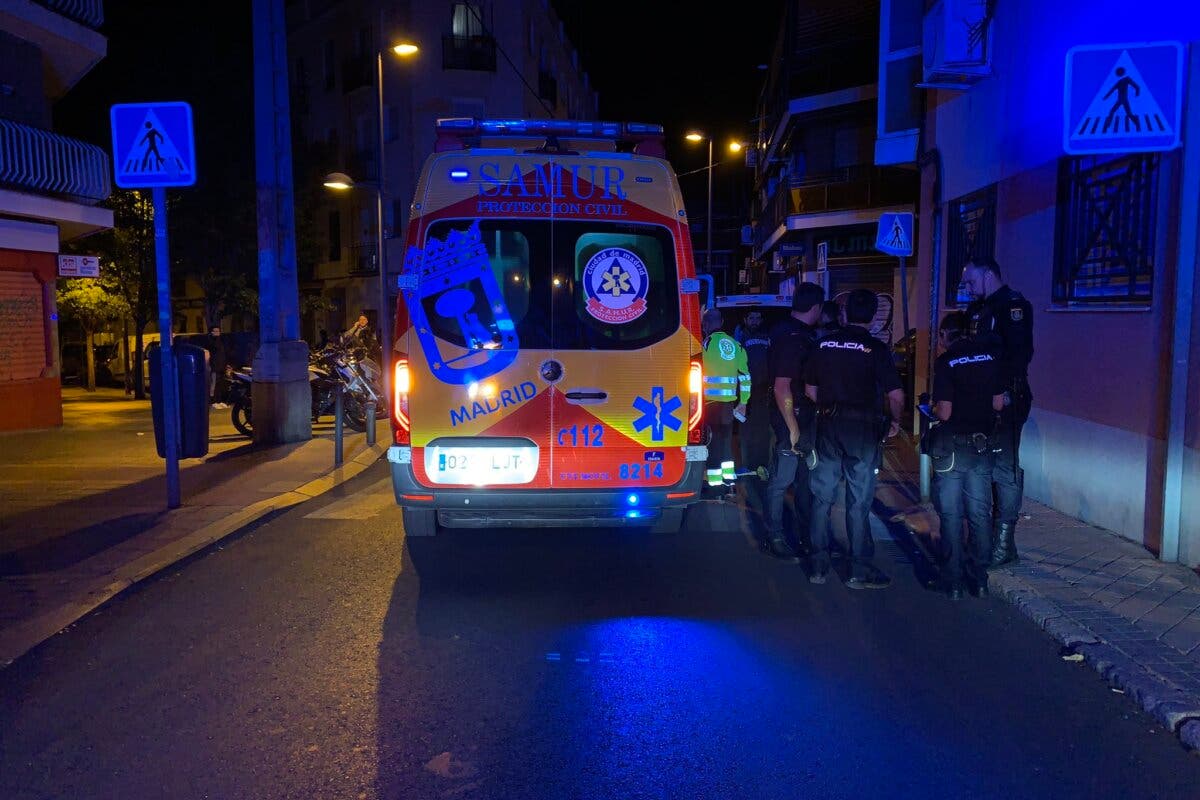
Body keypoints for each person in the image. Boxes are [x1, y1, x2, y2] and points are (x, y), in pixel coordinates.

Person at [803, 289, 905, 588]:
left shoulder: (823, 345)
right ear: (873, 317)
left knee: (821, 498)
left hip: (829, 426)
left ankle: (818, 567)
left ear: (845, 313)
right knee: (858, 502)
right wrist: (895, 422)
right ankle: (857, 570)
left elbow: (810, 390)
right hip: (863, 432)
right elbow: (895, 394)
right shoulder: (876, 349)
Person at [961, 257, 1034, 568]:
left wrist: (1001, 393)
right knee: (982, 468)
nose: (967, 288)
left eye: (971, 281)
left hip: (1005, 398)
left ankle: (1002, 544)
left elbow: (1020, 354)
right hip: (980, 400)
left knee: (1004, 470)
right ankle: (989, 539)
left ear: (989, 274)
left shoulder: (1012, 306)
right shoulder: (979, 309)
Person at [928, 311, 1006, 600]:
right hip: (982, 447)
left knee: (951, 514)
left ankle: (954, 581)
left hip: (952, 448)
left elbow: (944, 412)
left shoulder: (946, 362)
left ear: (946, 334)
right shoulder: (990, 359)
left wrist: (932, 409)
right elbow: (998, 404)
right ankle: (980, 579)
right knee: (979, 514)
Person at [761, 282, 825, 562]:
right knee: (782, 478)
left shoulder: (791, 332)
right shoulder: (792, 337)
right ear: (816, 308)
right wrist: (793, 428)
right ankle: (775, 536)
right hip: (791, 416)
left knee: (802, 481)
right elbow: (781, 386)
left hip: (799, 415)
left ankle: (803, 535)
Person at [701, 307, 750, 494]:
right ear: (721, 323)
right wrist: (743, 402)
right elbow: (745, 377)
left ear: (705, 325)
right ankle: (729, 482)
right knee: (726, 442)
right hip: (729, 407)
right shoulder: (736, 346)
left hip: (709, 405)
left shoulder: (704, 344)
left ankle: (715, 486)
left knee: (713, 444)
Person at [734, 309, 773, 478]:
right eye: (751, 318)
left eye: (758, 317)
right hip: (746, 392)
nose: (755, 321)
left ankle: (762, 464)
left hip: (764, 391)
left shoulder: (767, 337)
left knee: (763, 431)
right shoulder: (740, 337)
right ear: (745, 319)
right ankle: (746, 465)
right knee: (746, 431)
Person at [206, 324, 228, 409]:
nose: (217, 333)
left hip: (221, 366)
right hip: (214, 367)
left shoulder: (221, 341)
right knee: (214, 385)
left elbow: (223, 353)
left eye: (218, 331)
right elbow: (213, 352)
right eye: (215, 331)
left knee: (220, 384)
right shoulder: (210, 341)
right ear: (211, 332)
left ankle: (219, 401)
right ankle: (213, 402)